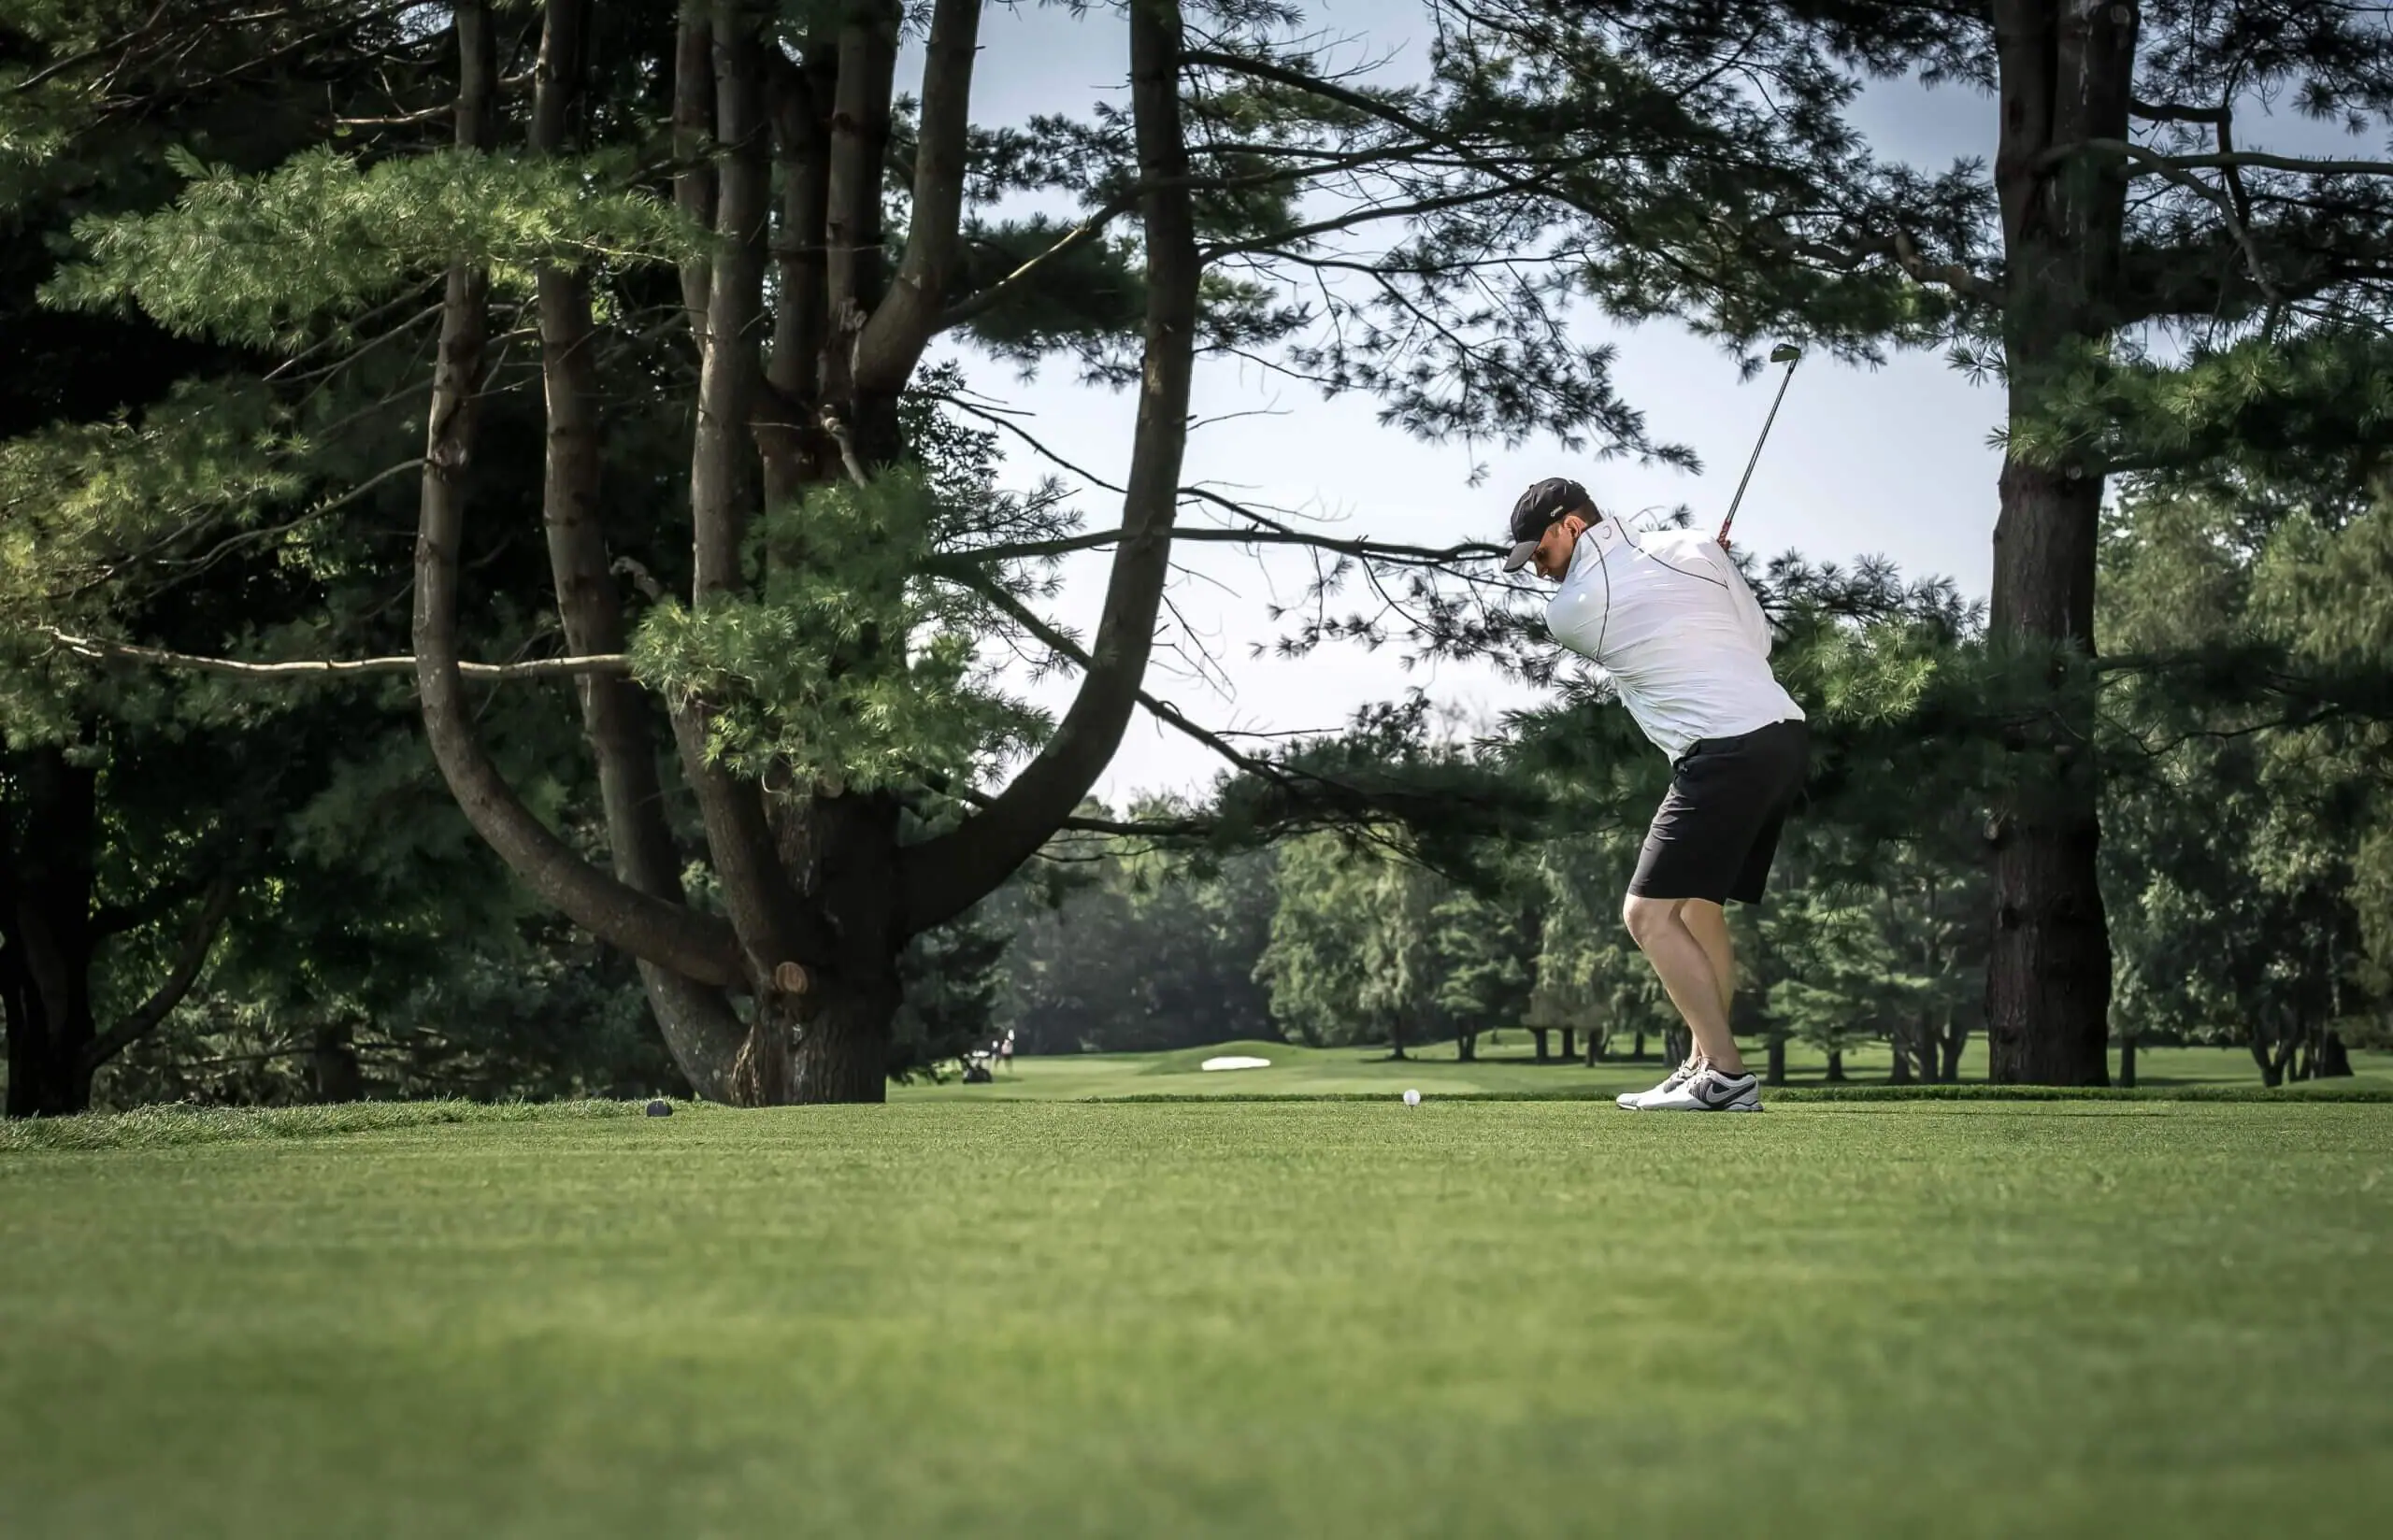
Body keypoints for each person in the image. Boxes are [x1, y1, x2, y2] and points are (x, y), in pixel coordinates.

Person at [1502, 478, 1808, 1113]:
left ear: (1572, 527)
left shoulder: (1571, 611)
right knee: (1698, 910)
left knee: (1645, 916)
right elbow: (1758, 641)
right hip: (1779, 735)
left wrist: (1701, 570)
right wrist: (1710, 566)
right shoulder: (1693, 548)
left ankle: (1725, 1075)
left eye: (1541, 551)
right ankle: (1701, 1063)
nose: (1537, 568)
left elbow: (1628, 603)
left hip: (1722, 749)